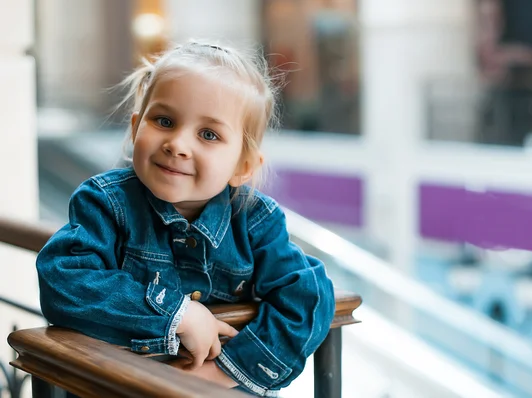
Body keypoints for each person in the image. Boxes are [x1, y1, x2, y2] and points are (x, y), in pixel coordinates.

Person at [35, 39, 336, 396]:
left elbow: (308, 295)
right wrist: (176, 314)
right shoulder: (104, 202)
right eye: (164, 120)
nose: (177, 144)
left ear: (242, 166)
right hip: (116, 385)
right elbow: (64, 279)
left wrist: (227, 371)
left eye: (208, 134)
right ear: (135, 129)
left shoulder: (256, 220)